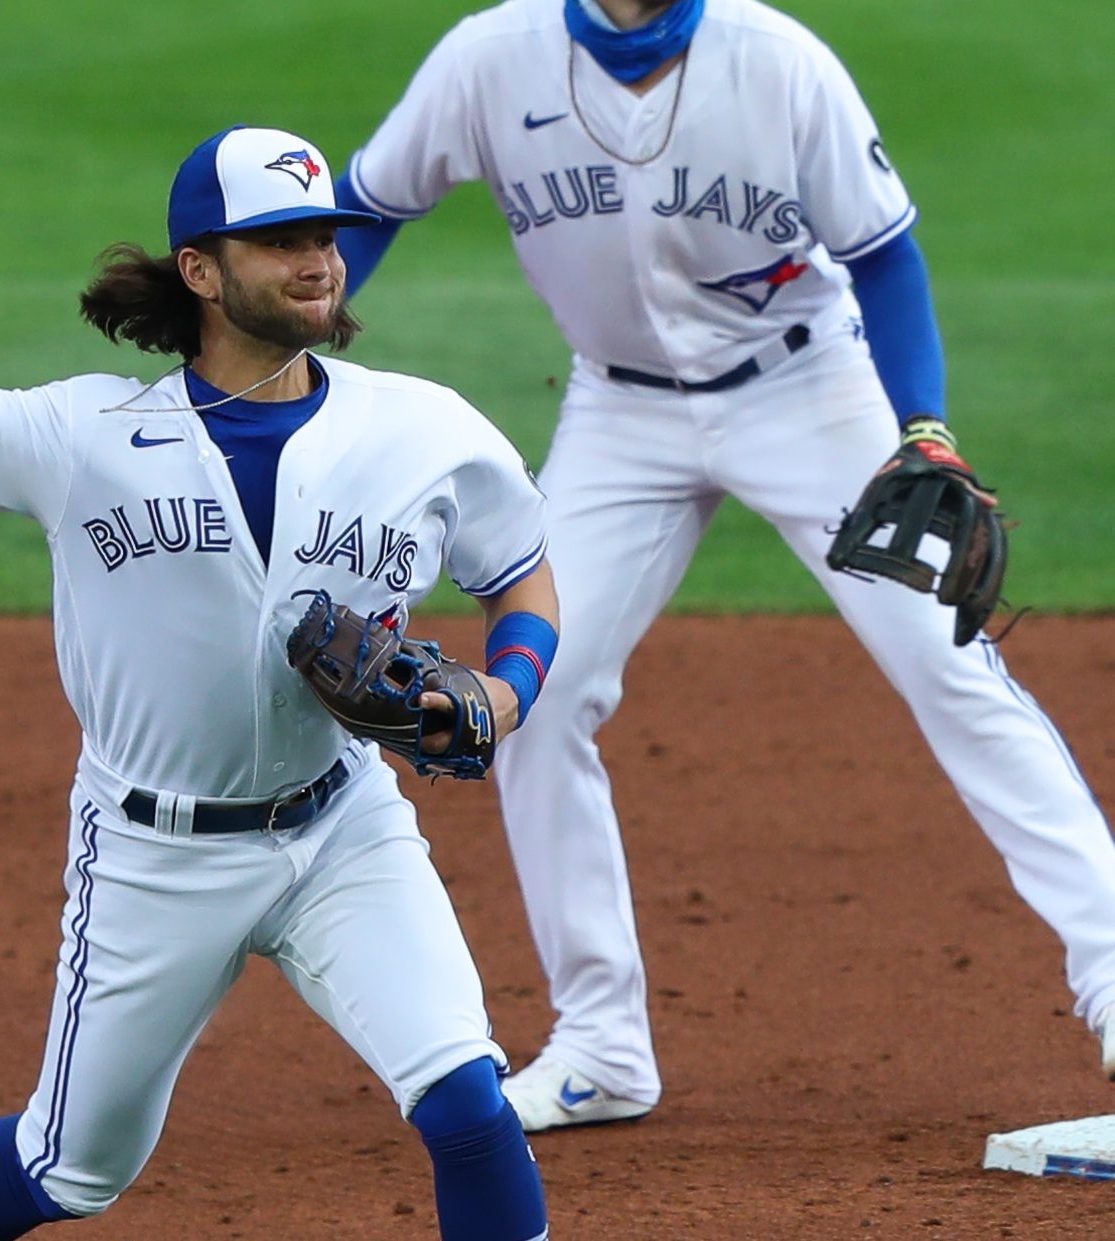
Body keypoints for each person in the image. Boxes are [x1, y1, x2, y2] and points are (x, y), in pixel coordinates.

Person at [332, 0, 1115, 1132]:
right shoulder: (487, 61)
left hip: (810, 391)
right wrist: (276, 348)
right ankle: (600, 1044)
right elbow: (365, 205)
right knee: (532, 693)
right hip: (615, 409)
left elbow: (882, 255)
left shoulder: (775, 59)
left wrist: (922, 426)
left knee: (947, 667)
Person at [0, 69, 562, 1241]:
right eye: (278, 240)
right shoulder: (85, 436)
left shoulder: (422, 429)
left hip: (341, 827)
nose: (316, 259)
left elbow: (519, 573)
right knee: (68, 1170)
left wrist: (500, 691)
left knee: (468, 1104)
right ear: (201, 272)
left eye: (322, 234)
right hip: (150, 854)